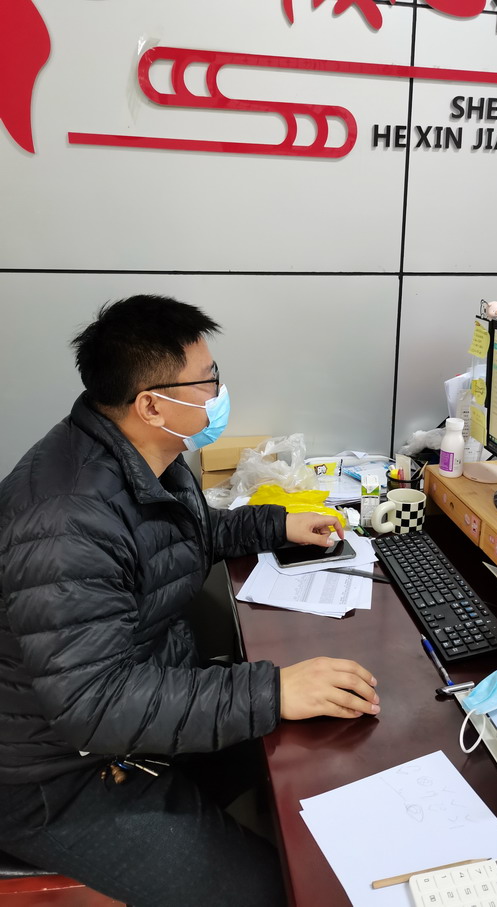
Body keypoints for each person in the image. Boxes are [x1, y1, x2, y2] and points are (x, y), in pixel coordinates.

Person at [0, 295, 380, 906]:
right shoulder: (67, 522)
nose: (218, 393)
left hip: (134, 709)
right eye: (207, 380)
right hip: (60, 774)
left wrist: (275, 525)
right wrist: (271, 691)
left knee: (321, 746)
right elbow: (92, 705)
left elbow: (177, 535)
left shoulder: (144, 454)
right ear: (151, 404)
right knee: (276, 890)